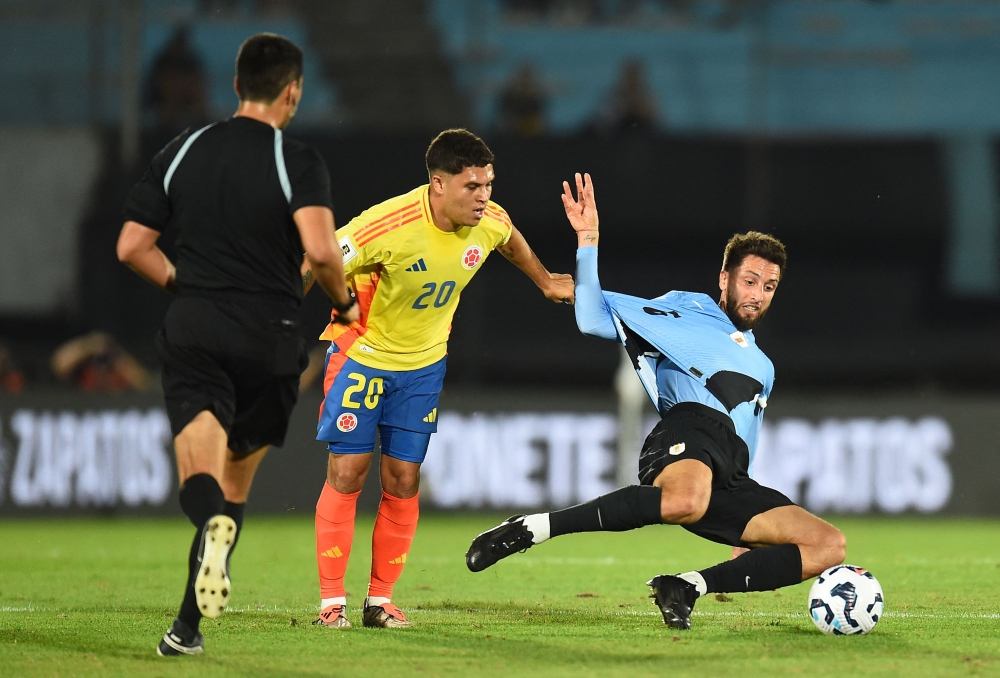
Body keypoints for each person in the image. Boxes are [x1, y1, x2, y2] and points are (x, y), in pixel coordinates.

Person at [466, 173, 846, 630]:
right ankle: (532, 528)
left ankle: (686, 587)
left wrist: (746, 514)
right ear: (724, 278)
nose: (757, 295)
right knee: (684, 500)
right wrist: (588, 240)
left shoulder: (763, 365)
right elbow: (591, 317)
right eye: (749, 281)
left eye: (768, 287)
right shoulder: (688, 311)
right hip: (688, 429)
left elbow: (746, 435)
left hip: (731, 467)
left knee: (828, 546)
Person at [117, 33, 357, 656]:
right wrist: (344, 300)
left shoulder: (182, 149)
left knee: (199, 475)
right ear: (293, 91)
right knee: (235, 484)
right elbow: (322, 250)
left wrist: (183, 284)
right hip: (270, 337)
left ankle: (200, 561)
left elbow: (130, 247)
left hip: (197, 327)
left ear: (235, 86)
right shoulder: (295, 159)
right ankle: (185, 629)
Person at [307, 129, 575, 630]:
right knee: (348, 473)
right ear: (438, 184)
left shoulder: (488, 221)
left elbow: (510, 239)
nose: (484, 196)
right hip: (362, 357)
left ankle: (380, 601)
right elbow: (319, 258)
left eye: (489, 184)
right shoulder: (386, 225)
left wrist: (544, 281)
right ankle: (330, 604)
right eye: (472, 186)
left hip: (423, 366)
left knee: (404, 480)